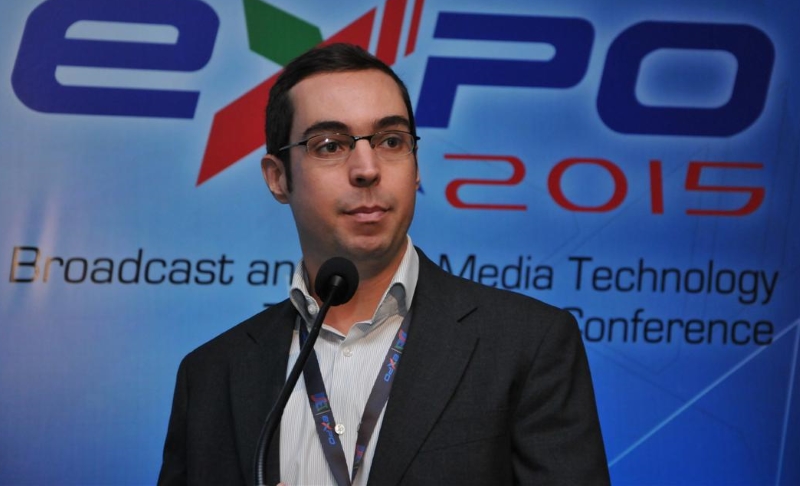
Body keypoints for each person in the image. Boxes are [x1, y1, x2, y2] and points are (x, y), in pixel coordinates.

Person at [158, 43, 610, 485]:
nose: (367, 168)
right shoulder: (212, 375)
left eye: (391, 141)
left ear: (416, 166)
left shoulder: (526, 345)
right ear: (278, 178)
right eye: (330, 145)